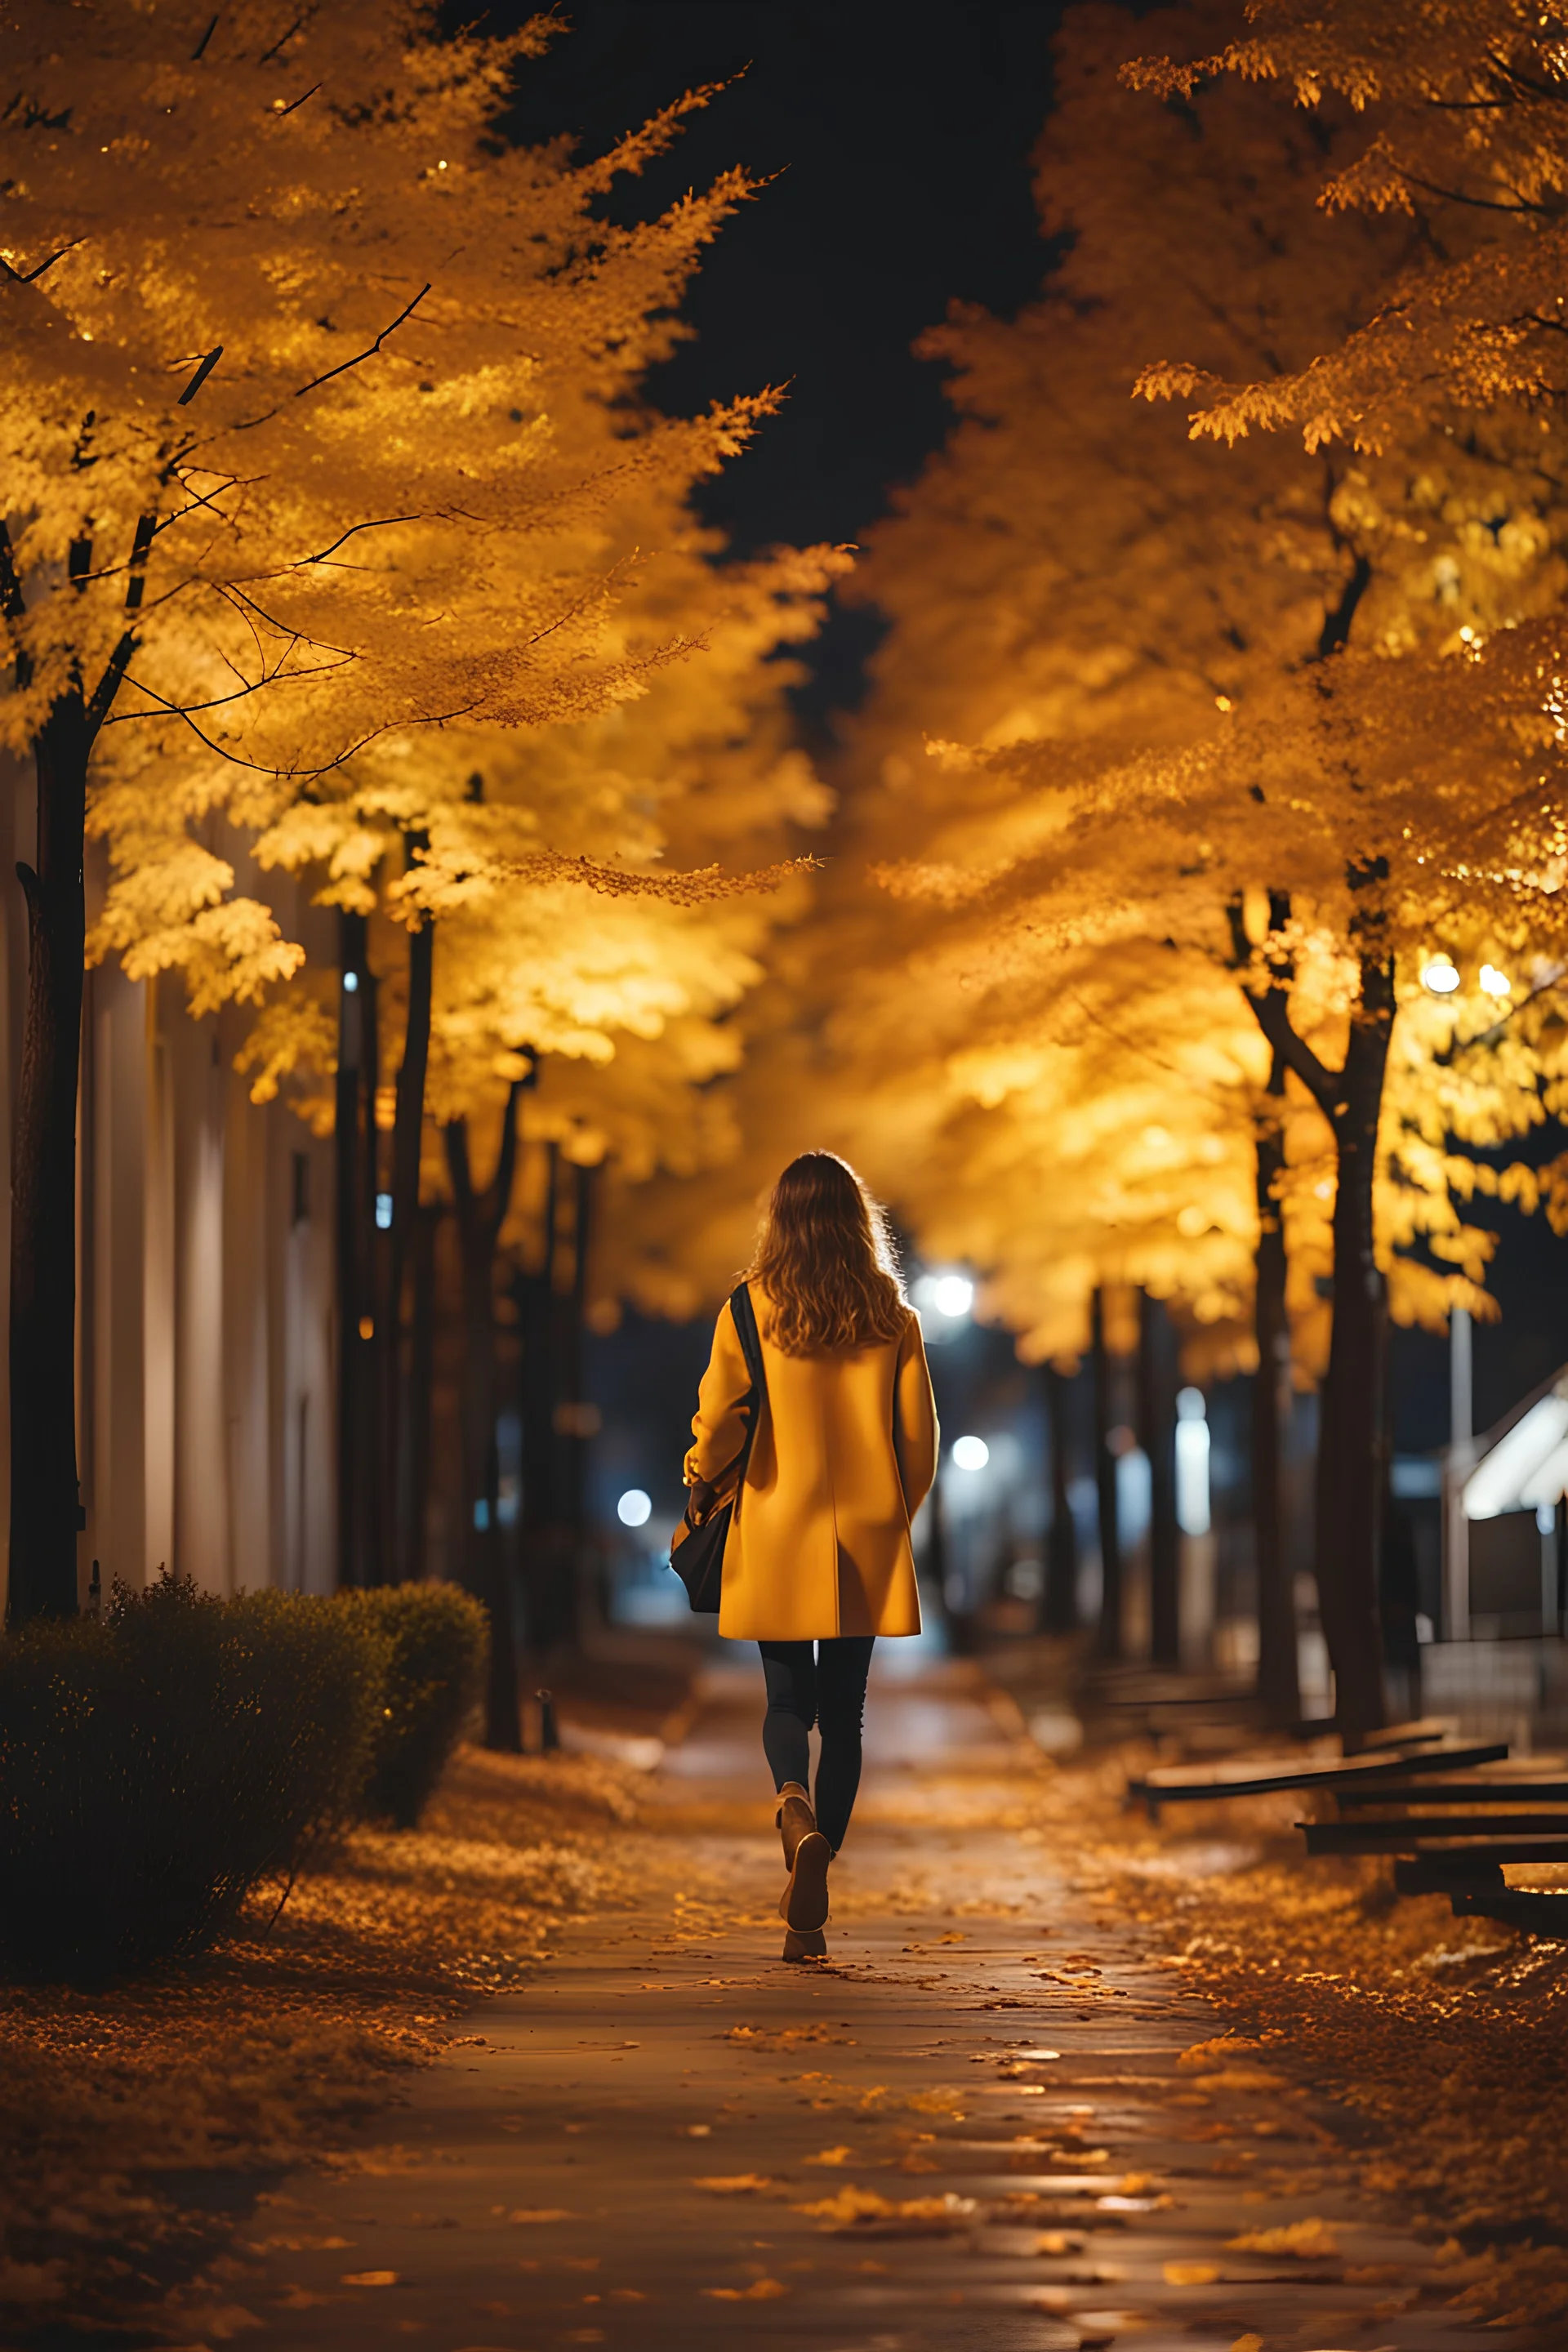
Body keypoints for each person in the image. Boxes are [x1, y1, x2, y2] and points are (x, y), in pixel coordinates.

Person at [683, 1152, 938, 1960]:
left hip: (776, 1523)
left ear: (781, 1221)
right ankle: (815, 1891)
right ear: (859, 1222)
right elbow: (919, 1442)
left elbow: (721, 1420)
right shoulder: (894, 1317)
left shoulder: (749, 1309)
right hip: (863, 1531)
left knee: (785, 1697)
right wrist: (896, 1516)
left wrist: (697, 1474)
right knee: (849, 1715)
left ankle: (792, 1812)